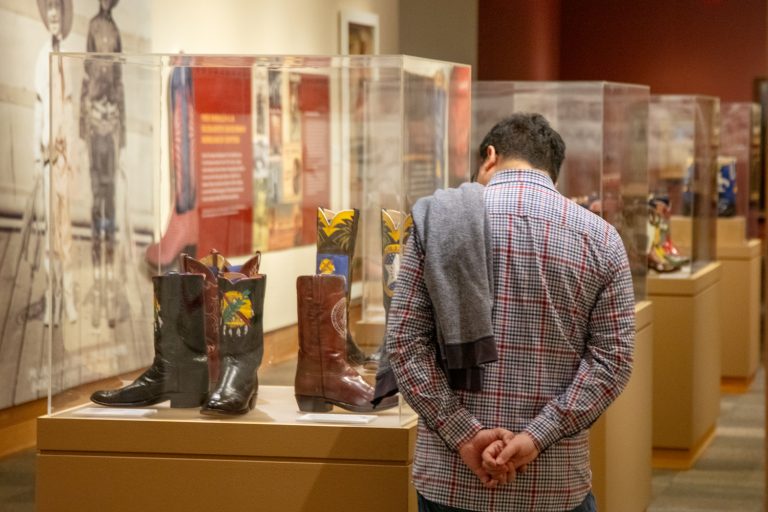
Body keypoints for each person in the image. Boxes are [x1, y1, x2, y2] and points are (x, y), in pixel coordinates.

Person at [385, 113, 635, 511]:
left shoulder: (436, 220)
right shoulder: (601, 238)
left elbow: (404, 345)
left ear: (490, 156)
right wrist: (536, 435)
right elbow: (613, 362)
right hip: (555, 483)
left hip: (452, 479)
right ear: (552, 173)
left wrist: (465, 435)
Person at [80, 0, 125, 328]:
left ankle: (110, 286)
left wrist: (120, 133)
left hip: (112, 122)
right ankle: (97, 284)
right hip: (95, 121)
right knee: (97, 200)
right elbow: (85, 73)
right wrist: (84, 126)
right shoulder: (93, 27)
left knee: (111, 202)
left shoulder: (116, 31)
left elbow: (120, 77)